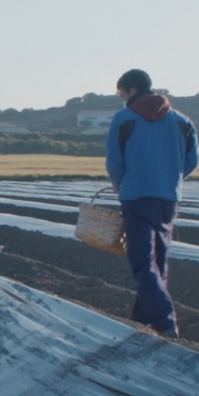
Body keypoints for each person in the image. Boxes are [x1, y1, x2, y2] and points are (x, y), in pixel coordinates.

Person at [105, 69, 198, 339]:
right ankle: (141, 321)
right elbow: (191, 160)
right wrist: (172, 179)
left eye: (121, 92)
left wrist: (119, 184)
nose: (121, 97)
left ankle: (165, 321)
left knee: (142, 261)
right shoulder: (182, 121)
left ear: (132, 90)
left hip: (136, 197)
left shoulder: (124, 119)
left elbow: (114, 161)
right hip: (168, 198)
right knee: (159, 260)